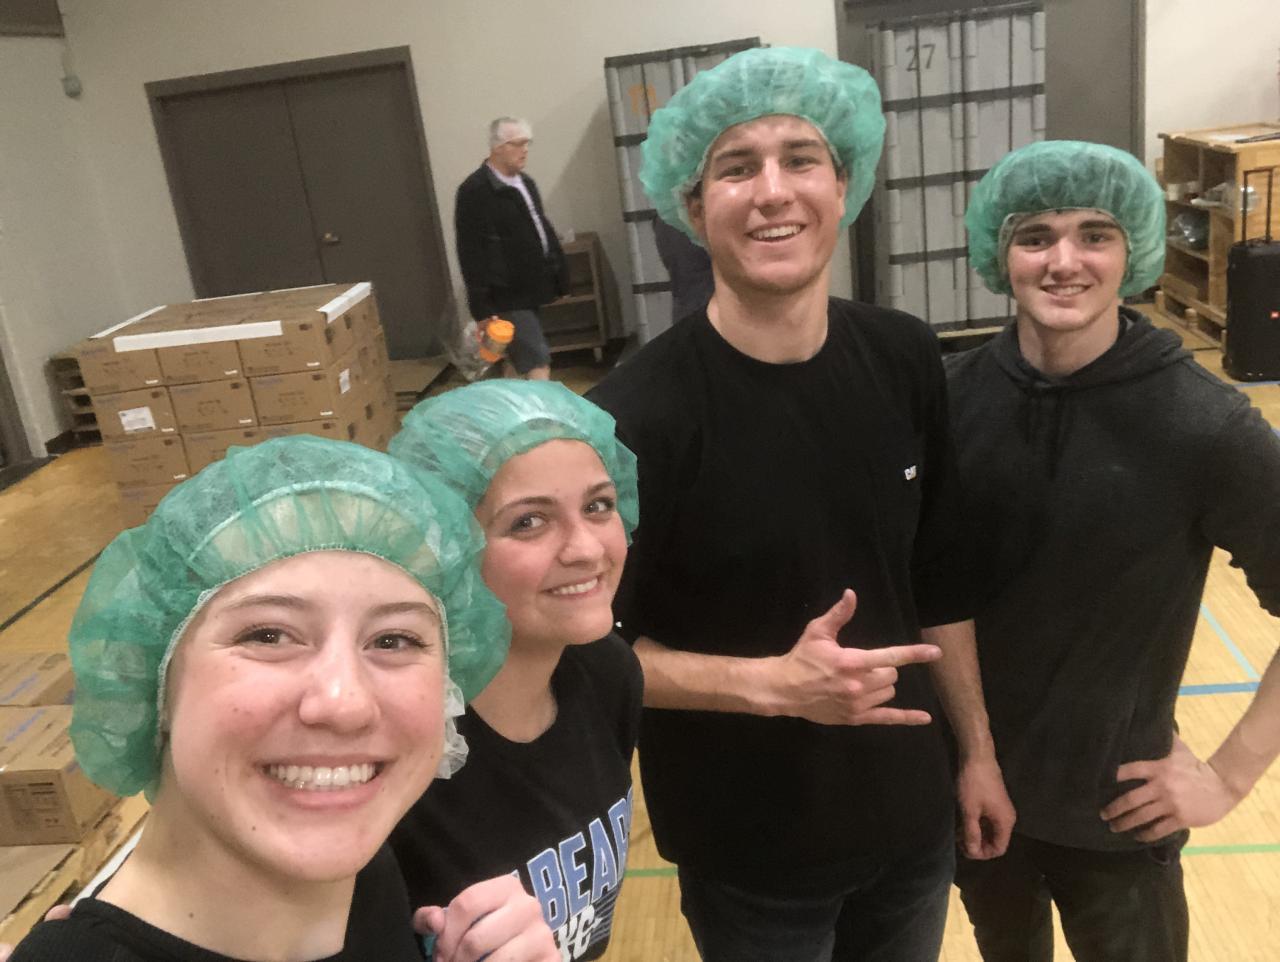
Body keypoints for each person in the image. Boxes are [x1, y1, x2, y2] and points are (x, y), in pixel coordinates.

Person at [586, 46, 1015, 962]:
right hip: (748, 851)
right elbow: (590, 651)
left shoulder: (904, 356)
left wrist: (976, 752)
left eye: (801, 158)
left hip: (911, 824)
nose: (773, 191)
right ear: (694, 208)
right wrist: (771, 686)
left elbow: (939, 580)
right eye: (737, 167)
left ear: (843, 184)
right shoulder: (632, 418)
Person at [5, 435, 558, 962]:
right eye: (267, 635)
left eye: (394, 640)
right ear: (154, 681)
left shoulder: (359, 875)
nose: (344, 703)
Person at [946, 140, 1280, 962]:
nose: (1064, 261)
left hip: (1120, 819)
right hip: (979, 802)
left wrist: (1229, 774)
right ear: (1000, 254)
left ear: (1133, 250)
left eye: (1095, 234)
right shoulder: (949, 402)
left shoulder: (1203, 425)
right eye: (1035, 237)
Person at [387, 380, 643, 962]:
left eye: (599, 506)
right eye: (529, 521)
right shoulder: (401, 754)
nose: (587, 549)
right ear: (445, 549)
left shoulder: (608, 674)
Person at [455, 117, 567, 381]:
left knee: (518, 360)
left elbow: (540, 228)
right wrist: (481, 306)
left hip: (532, 288)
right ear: (498, 147)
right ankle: (544, 408)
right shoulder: (475, 191)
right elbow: (470, 251)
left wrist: (559, 274)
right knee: (537, 360)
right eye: (517, 144)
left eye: (527, 144)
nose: (524, 150)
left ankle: (508, 405)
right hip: (506, 294)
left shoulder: (525, 183)